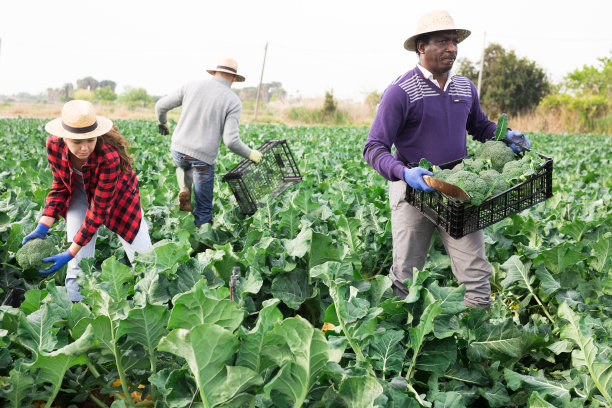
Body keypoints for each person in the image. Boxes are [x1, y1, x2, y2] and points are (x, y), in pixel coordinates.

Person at [363, 10, 530, 309]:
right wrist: (404, 172)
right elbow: (373, 148)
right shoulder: (400, 92)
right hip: (414, 190)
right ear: (421, 47)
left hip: (458, 193)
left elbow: (481, 127)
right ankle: (402, 343)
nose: (452, 48)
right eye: (443, 41)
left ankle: (476, 347)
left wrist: (504, 135)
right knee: (406, 276)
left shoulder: (466, 87)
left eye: (454, 42)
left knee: (477, 275)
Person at [21, 100, 152, 302]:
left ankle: (152, 305)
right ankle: (77, 313)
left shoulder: (109, 156)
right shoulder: (54, 145)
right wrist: (43, 225)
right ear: (65, 138)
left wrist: (69, 251)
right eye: (77, 142)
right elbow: (60, 187)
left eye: (90, 140)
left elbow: (98, 212)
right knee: (77, 264)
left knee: (145, 261)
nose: (84, 148)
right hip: (78, 193)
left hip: (119, 199)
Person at [155, 57, 263, 226]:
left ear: (213, 73)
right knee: (203, 208)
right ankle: (202, 247)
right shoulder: (233, 101)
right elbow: (231, 141)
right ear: (234, 79)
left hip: (177, 150)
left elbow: (160, 106)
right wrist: (250, 154)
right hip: (202, 159)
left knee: (185, 165)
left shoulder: (191, 85)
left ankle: (185, 187)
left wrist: (163, 123)